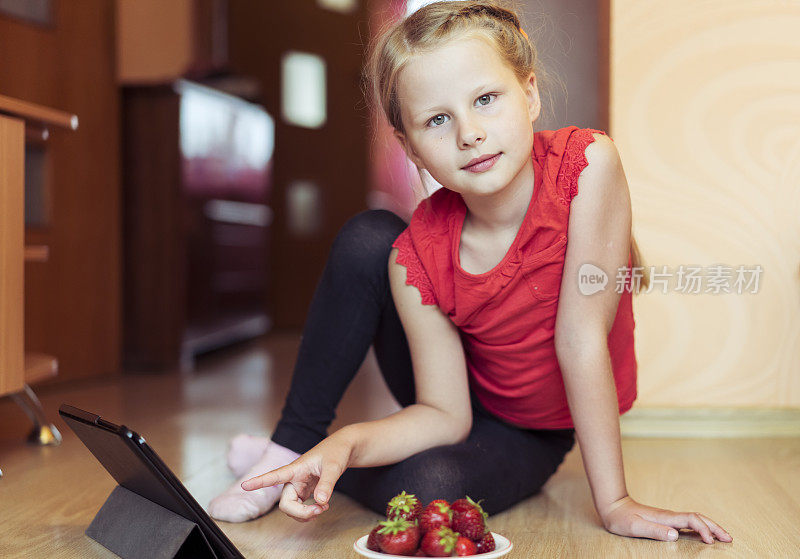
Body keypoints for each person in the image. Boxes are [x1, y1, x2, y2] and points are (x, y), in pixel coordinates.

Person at [208, 0, 733, 545]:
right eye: (438, 120)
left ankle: (309, 466)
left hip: (528, 431)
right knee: (369, 236)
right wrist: (347, 441)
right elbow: (444, 414)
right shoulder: (417, 252)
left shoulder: (588, 167)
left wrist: (616, 503)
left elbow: (580, 339)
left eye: (486, 99)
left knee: (424, 489)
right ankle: (292, 450)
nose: (469, 134)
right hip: (450, 396)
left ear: (529, 93)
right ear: (409, 146)